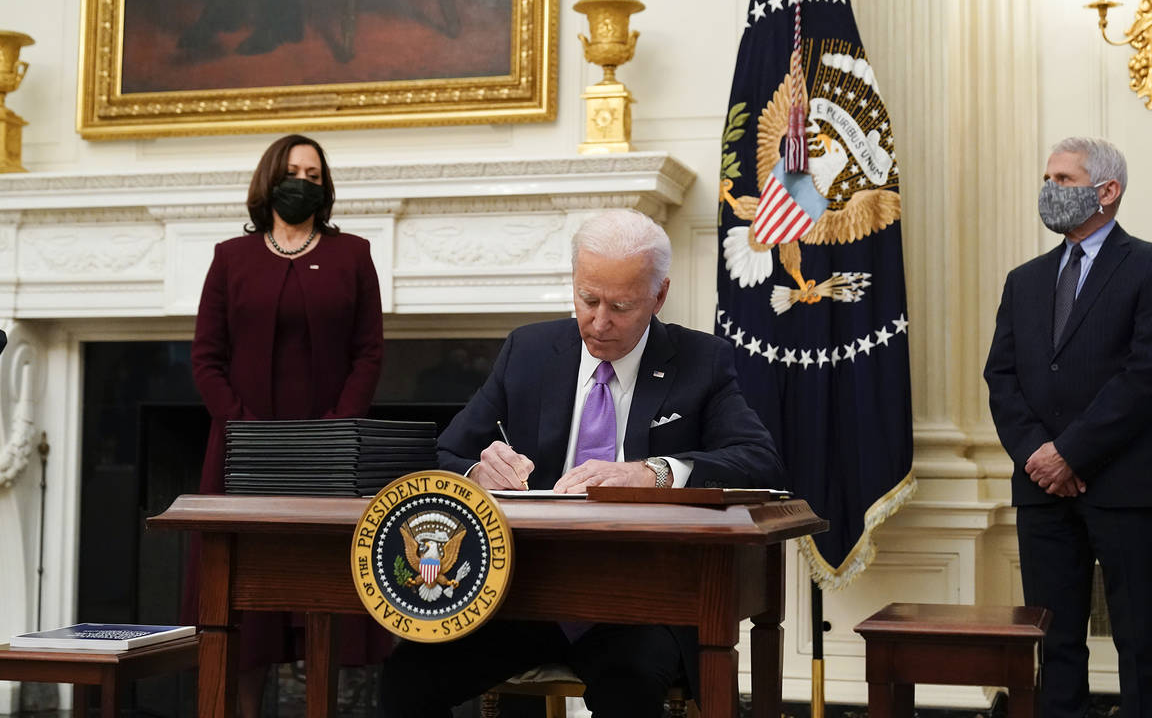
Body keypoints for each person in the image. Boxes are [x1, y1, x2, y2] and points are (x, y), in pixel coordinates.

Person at [379, 209, 786, 718]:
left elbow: (760, 462)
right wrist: (476, 475)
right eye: (587, 299)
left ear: (659, 296)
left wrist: (652, 473)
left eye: (620, 306)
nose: (598, 322)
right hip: (526, 595)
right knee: (405, 679)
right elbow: (440, 454)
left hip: (641, 604)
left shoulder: (701, 360)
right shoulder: (528, 351)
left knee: (627, 688)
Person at [984, 137, 1152, 718]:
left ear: (1107, 190)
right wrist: (1038, 455)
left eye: (1064, 180)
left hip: (1128, 484)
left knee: (1139, 639)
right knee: (1054, 642)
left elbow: (1147, 378)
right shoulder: (1024, 279)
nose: (1049, 190)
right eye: (1046, 177)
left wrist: (1069, 454)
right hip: (1042, 488)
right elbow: (1001, 376)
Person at [190, 134, 388, 717]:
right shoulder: (231, 257)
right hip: (241, 452)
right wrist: (242, 426)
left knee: (320, 599)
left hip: (328, 455)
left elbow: (368, 353)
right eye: (292, 170)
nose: (302, 181)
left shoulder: (353, 253)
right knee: (243, 615)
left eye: (314, 174)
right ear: (270, 178)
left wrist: (336, 428)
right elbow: (206, 356)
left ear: (324, 188)